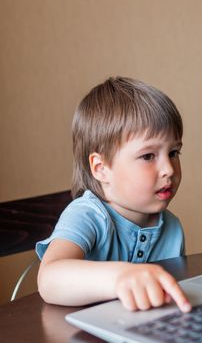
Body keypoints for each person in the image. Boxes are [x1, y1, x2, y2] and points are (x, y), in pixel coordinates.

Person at [36, 76, 191, 313]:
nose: (169, 169)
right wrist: (120, 276)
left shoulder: (171, 227)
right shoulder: (88, 215)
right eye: (148, 156)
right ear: (101, 168)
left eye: (173, 152)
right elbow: (49, 279)